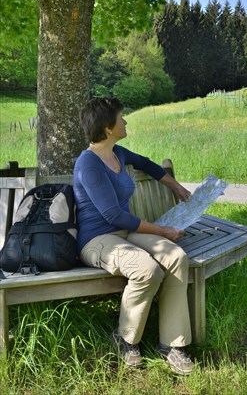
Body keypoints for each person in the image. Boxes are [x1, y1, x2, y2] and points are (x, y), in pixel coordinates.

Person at [73, 97, 194, 375]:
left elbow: (148, 164)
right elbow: (114, 216)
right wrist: (163, 231)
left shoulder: (118, 153)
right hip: (96, 241)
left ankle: (173, 345)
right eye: (120, 117)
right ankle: (126, 341)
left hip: (126, 234)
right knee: (147, 269)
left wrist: (176, 187)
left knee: (175, 256)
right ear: (106, 128)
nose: (125, 121)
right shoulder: (88, 164)